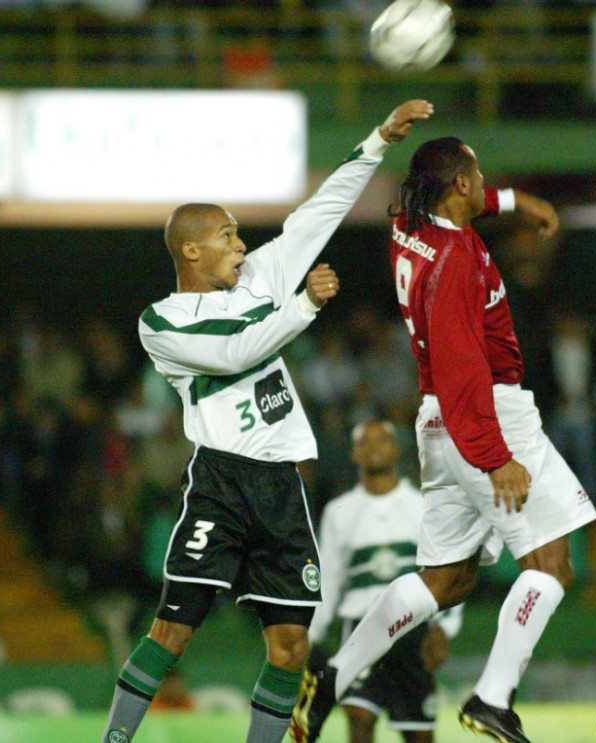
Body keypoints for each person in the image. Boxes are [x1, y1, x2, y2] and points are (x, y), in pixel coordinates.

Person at [99, 98, 434, 743]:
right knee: (172, 631)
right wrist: (302, 306)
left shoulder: (258, 277)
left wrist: (378, 140)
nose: (241, 244)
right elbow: (234, 353)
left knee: (290, 648)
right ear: (190, 249)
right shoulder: (161, 321)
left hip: (282, 485)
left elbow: (318, 214)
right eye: (227, 236)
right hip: (222, 482)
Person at [292, 136, 596, 743]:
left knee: (446, 581)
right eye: (477, 176)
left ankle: (332, 677)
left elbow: (469, 199)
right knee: (549, 566)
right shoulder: (456, 262)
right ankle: (493, 698)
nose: (482, 184)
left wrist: (517, 201)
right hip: (485, 416)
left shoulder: (409, 225)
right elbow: (464, 371)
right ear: (458, 185)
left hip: (438, 422)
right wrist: (495, 458)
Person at [309, 419, 463, 743]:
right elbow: (329, 578)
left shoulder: (423, 504)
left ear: (396, 449)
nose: (374, 448)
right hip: (360, 625)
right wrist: (311, 637)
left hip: (413, 629)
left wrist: (445, 627)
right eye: (364, 442)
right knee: (359, 718)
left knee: (418, 732)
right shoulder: (338, 511)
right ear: (354, 453)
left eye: (382, 440)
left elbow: (447, 570)